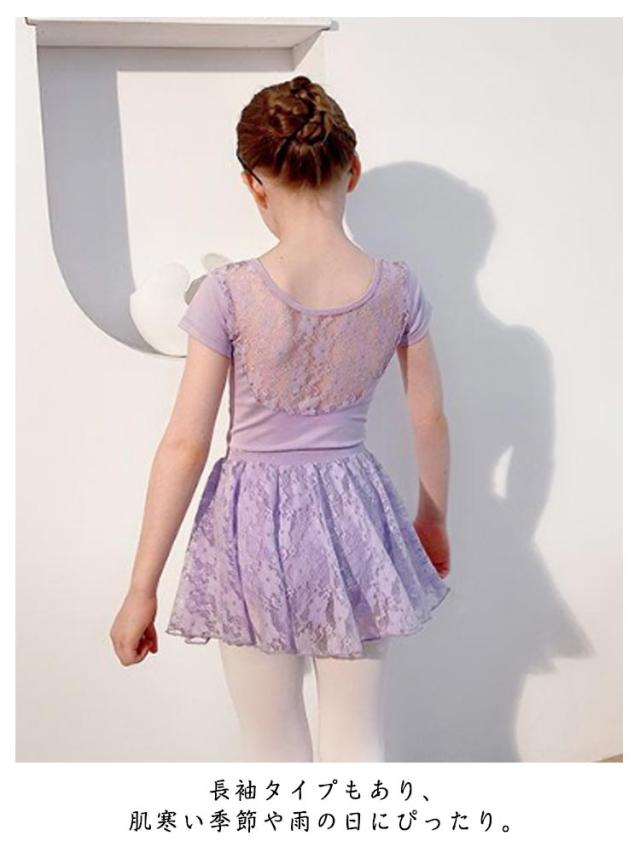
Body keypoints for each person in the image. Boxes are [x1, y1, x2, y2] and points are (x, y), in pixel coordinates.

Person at [110, 74, 452, 762]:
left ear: (253, 184)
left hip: (250, 528)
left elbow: (184, 444)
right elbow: (430, 420)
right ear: (352, 169)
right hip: (356, 516)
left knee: (269, 743)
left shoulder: (228, 293)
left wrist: (141, 587)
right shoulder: (397, 287)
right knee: (358, 737)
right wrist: (432, 520)